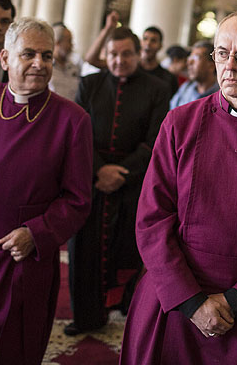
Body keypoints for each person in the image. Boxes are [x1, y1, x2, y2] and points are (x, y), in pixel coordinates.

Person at [120, 9, 237, 365]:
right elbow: (152, 218)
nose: (230, 65)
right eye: (222, 53)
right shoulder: (179, 122)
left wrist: (235, 302)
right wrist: (192, 302)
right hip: (174, 297)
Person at [0, 17, 93, 364]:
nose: (40, 63)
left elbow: (78, 200)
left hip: (20, 258)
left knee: (6, 350)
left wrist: (35, 233)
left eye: (47, 56)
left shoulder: (72, 120)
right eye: (29, 54)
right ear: (6, 59)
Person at [65, 27, 170, 336]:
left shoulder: (157, 88)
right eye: (113, 54)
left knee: (128, 250)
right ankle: (86, 316)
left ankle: (124, 310)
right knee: (83, 250)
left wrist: (121, 172)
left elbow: (155, 140)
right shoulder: (90, 84)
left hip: (132, 183)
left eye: (126, 54)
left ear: (138, 55)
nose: (119, 60)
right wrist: (99, 171)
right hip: (91, 180)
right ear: (105, 55)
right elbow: (77, 134)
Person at [169, 40, 219, 109]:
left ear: (211, 66)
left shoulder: (221, 96)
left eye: (196, 57)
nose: (189, 62)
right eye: (190, 58)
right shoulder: (185, 88)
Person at [140, 26, 179, 94]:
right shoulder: (130, 72)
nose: (148, 43)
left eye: (153, 40)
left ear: (160, 46)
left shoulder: (169, 79)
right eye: (145, 39)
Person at [48, 22, 82, 101]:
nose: (71, 45)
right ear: (57, 43)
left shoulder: (75, 68)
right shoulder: (46, 67)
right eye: (69, 41)